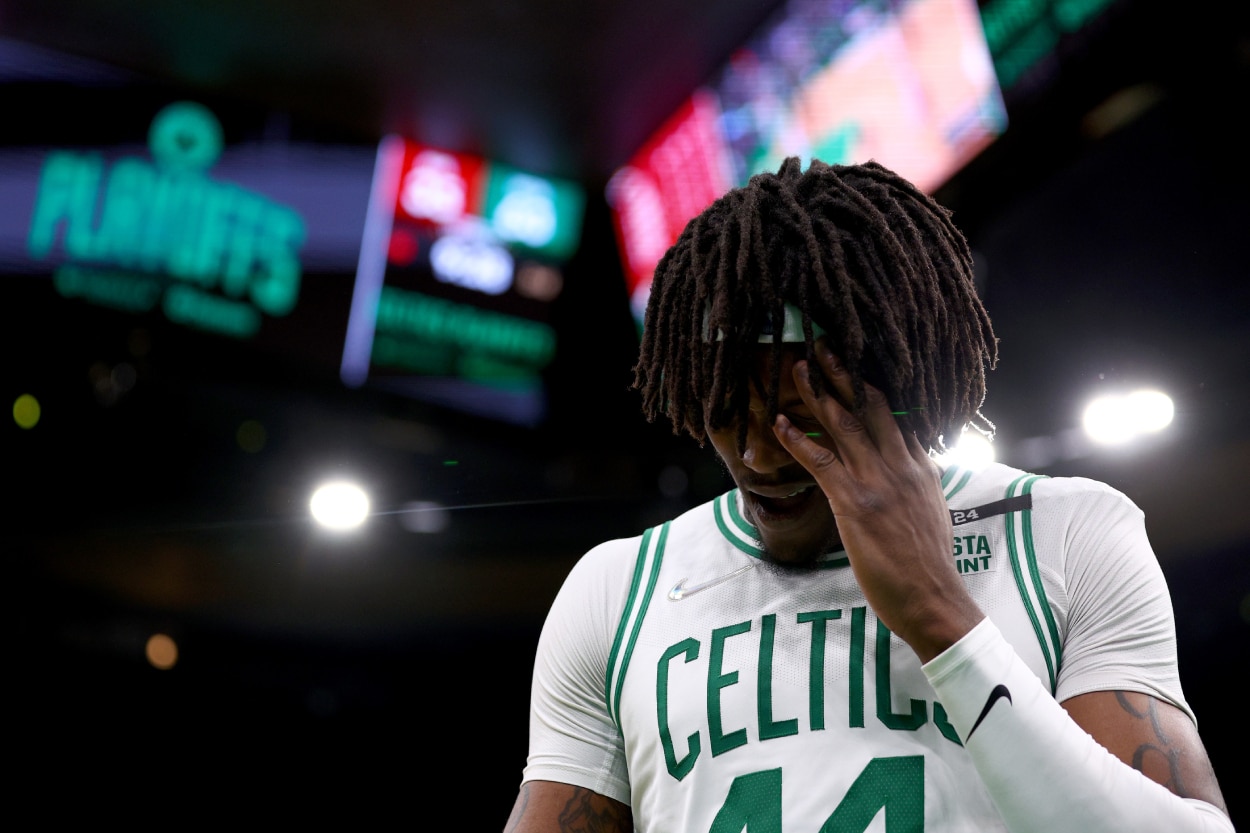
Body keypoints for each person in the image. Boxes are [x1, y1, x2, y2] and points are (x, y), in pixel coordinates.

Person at [504, 158, 1233, 832]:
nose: (759, 455)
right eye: (730, 411)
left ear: (900, 386)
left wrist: (939, 615)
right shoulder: (618, 590)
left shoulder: (1067, 530)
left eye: (799, 417)